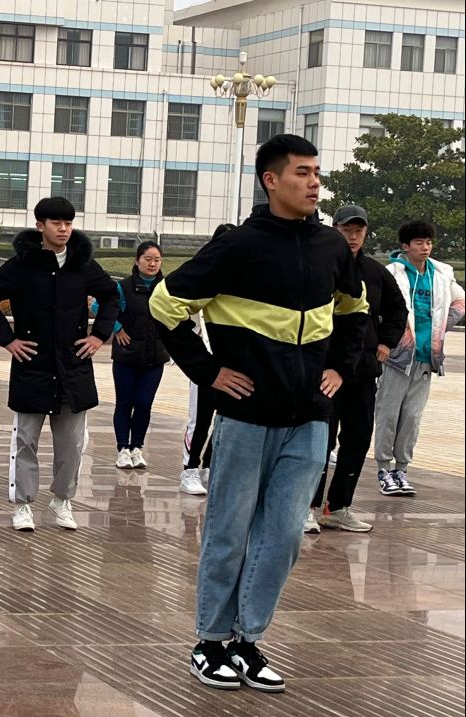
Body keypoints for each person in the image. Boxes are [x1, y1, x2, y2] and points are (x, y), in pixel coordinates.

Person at [150, 134, 367, 693]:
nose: (314, 183)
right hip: (246, 417)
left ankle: (248, 640)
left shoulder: (331, 246)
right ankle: (209, 641)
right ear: (271, 180)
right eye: (302, 172)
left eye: (316, 172)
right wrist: (209, 372)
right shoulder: (239, 246)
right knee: (229, 531)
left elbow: (354, 310)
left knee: (285, 535)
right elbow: (164, 305)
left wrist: (340, 369)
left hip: (310, 418)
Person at [0, 197, 119, 532]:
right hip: (32, 365)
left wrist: (99, 335)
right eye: (56, 223)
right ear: (40, 225)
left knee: (72, 444)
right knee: (25, 440)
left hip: (73, 366)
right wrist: (8, 339)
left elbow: (112, 295)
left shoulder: (82, 263)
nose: (64, 229)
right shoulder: (22, 265)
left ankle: (62, 500)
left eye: (68, 223)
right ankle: (23, 504)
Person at [302, 206, 408, 533]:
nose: (352, 236)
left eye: (358, 231)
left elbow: (398, 309)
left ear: (365, 234)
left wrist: (386, 343)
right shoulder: (318, 265)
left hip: (362, 371)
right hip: (324, 370)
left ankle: (337, 507)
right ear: (334, 229)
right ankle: (306, 506)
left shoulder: (375, 272)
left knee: (358, 438)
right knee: (319, 439)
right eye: (347, 230)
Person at [374, 220, 465, 497]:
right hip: (397, 358)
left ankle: (402, 469)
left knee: (412, 417)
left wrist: (441, 327)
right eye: (418, 243)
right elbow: (377, 309)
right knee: (389, 414)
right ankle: (383, 469)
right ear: (405, 246)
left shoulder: (441, 273)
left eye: (428, 242)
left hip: (426, 357)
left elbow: (460, 302)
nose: (425, 247)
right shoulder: (392, 273)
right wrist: (392, 337)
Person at [179, 223, 235, 496]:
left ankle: (209, 466)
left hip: (232, 364)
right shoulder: (199, 278)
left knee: (224, 417)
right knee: (200, 419)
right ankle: (189, 468)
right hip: (205, 365)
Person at [107, 240, 167, 470]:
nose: (153, 264)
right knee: (124, 403)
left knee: (144, 403)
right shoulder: (123, 287)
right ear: (137, 260)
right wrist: (117, 328)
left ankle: (137, 448)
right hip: (127, 356)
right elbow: (100, 308)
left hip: (155, 356)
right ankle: (123, 449)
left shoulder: (165, 288)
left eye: (157, 260)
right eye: (148, 259)